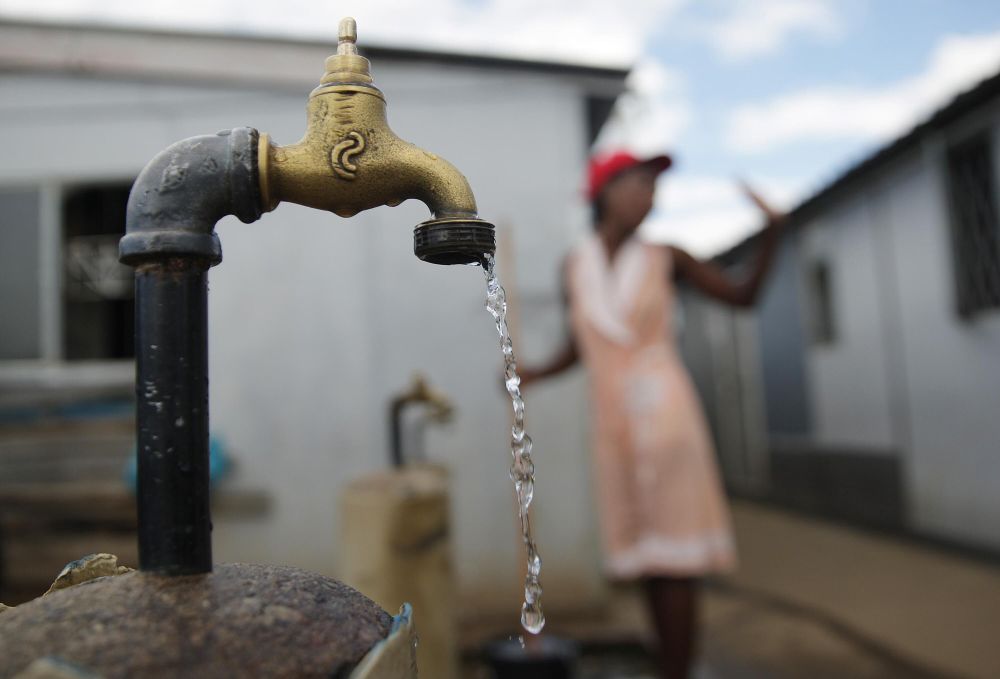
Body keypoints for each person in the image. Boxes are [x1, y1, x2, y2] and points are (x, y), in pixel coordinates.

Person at [518, 150, 785, 679]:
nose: (650, 194)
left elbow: (742, 296)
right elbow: (582, 344)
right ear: (604, 192)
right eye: (639, 182)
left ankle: (677, 669)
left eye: (654, 186)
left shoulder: (668, 257)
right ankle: (668, 664)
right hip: (613, 423)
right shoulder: (576, 265)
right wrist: (536, 373)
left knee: (677, 559)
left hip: (665, 417)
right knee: (645, 555)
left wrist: (773, 233)